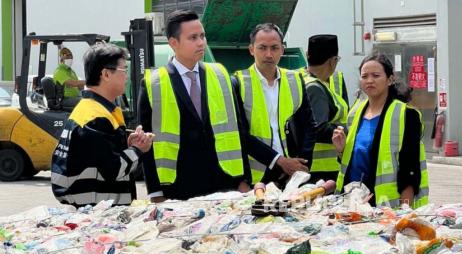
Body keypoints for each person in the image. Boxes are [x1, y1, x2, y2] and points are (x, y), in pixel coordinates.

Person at [138, 10, 250, 202]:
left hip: (224, 184)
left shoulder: (221, 75)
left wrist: (244, 180)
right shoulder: (153, 83)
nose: (201, 43)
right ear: (174, 43)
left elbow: (238, 131)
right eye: (193, 38)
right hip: (178, 188)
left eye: (202, 36)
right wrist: (155, 192)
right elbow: (146, 143)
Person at [51, 43, 153, 207]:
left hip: (95, 208)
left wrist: (128, 145)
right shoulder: (96, 118)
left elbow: (99, 156)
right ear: (106, 74)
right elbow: (114, 169)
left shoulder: (91, 111)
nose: (127, 77)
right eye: (124, 70)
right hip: (98, 211)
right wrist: (139, 149)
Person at [332, 53, 429, 208]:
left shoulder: (406, 115)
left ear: (390, 80)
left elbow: (410, 170)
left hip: (388, 207)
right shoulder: (355, 113)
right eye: (365, 76)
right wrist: (341, 150)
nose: (369, 80)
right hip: (354, 201)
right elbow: (355, 160)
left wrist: (405, 212)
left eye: (376, 75)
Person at [233, 23, 317, 186]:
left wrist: (300, 165)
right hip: (257, 173)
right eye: (262, 48)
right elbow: (240, 134)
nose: (269, 54)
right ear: (251, 50)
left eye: (274, 48)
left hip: (292, 171)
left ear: (282, 50)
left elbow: (309, 125)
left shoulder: (295, 80)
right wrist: (278, 161)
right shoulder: (238, 82)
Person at [304, 34, 349, 183]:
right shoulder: (314, 87)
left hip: (320, 165)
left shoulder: (298, 78)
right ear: (332, 61)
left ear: (307, 55)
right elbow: (319, 129)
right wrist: (348, 131)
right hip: (321, 170)